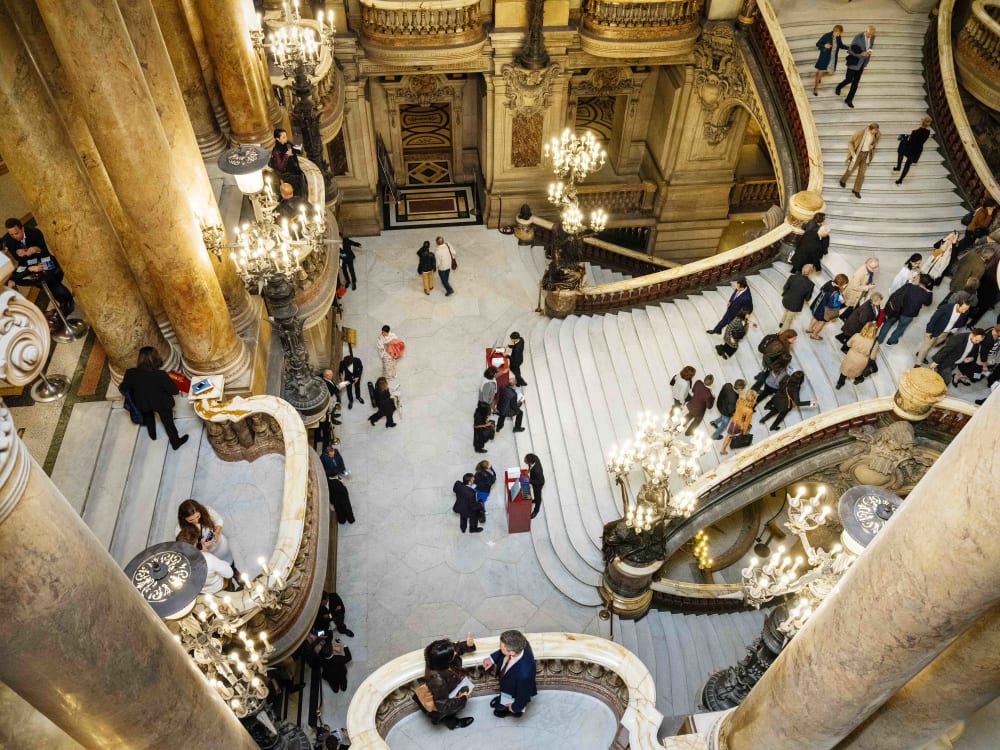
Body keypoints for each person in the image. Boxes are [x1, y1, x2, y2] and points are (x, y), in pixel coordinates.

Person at [120, 346, 189, 450]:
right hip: (162, 403)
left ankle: (152, 434)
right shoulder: (161, 375)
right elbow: (174, 391)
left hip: (143, 403)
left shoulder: (130, 373)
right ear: (156, 359)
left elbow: (124, 387)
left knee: (148, 417)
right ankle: (175, 442)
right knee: (168, 423)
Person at [3, 218, 75, 314]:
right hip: (26, 265)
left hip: (42, 259)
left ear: (22, 229)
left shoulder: (35, 233)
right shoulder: (8, 239)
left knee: (50, 280)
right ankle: (63, 301)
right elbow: (16, 258)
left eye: (17, 233)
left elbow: (45, 252)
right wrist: (17, 253)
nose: (15, 237)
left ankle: (66, 301)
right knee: (26, 280)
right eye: (11, 234)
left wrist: (36, 249)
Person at [176, 499, 240, 586]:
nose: (196, 521)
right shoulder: (179, 530)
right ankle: (227, 583)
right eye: (191, 520)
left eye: (198, 516)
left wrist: (216, 533)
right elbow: (185, 549)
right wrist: (199, 546)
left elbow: (219, 520)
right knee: (215, 572)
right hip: (206, 556)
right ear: (184, 518)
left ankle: (235, 573)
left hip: (220, 547)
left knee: (229, 563)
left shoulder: (207, 511)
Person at [422, 635, 477, 729]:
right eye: (453, 654)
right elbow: (443, 705)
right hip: (447, 696)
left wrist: (468, 645)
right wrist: (463, 698)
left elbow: (455, 648)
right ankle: (453, 723)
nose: (456, 652)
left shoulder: (437, 656)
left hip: (451, 686)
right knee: (449, 714)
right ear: (446, 661)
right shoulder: (437, 680)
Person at [483, 630, 537, 718]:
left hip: (514, 691)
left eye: (501, 647)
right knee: (504, 697)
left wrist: (515, 708)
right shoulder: (520, 642)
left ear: (512, 652)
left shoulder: (525, 674)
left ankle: (512, 711)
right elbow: (502, 651)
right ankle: (502, 701)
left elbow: (523, 695)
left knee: (506, 705)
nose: (499, 647)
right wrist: (491, 659)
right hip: (508, 685)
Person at [915, 292, 972, 364]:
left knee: (931, 346)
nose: (964, 311)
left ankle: (921, 354)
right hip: (934, 331)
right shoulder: (945, 308)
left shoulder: (965, 312)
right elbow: (934, 319)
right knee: (926, 347)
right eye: (963, 309)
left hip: (945, 333)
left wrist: (956, 327)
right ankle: (918, 363)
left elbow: (961, 321)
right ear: (958, 305)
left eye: (966, 309)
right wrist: (929, 331)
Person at [878, 274, 935, 345]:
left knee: (887, 323)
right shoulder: (927, 295)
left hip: (897, 310)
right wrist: (929, 292)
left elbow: (895, 294)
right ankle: (891, 341)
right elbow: (928, 303)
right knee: (901, 328)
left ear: (919, 280)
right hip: (908, 315)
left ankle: (879, 340)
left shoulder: (909, 286)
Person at [176, 527, 233, 594]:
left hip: (200, 591)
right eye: (199, 544)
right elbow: (229, 573)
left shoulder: (177, 563)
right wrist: (224, 563)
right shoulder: (208, 559)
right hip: (216, 587)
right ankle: (231, 589)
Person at [835, 25, 876, 108]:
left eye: (872, 35)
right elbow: (851, 50)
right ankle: (839, 87)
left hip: (862, 63)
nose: (870, 36)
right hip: (854, 62)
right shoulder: (858, 37)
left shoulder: (872, 37)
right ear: (866, 31)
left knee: (855, 83)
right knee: (849, 79)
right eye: (869, 34)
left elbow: (870, 47)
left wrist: (868, 53)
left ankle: (849, 99)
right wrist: (861, 53)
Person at [840, 123, 880, 199]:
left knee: (862, 173)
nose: (876, 132)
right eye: (875, 131)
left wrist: (873, 146)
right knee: (851, 169)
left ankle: (856, 190)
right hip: (858, 153)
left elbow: (875, 143)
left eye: (877, 131)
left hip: (866, 155)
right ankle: (843, 180)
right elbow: (850, 141)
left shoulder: (877, 134)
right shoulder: (861, 133)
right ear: (870, 129)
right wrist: (853, 153)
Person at [806, 274, 849, 341]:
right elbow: (833, 305)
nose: (845, 285)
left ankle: (809, 329)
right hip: (824, 309)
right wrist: (841, 302)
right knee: (822, 322)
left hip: (819, 304)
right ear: (842, 284)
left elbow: (821, 288)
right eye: (845, 284)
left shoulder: (830, 282)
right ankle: (814, 335)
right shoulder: (836, 292)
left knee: (815, 317)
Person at [837, 322, 880, 388]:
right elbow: (872, 357)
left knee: (845, 370)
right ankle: (857, 380)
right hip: (862, 360)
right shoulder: (874, 343)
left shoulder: (857, 335)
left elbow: (848, 344)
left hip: (851, 356)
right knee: (857, 372)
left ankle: (839, 384)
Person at [321, 446, 355, 524]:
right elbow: (323, 471)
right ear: (327, 454)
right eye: (331, 455)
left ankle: (350, 518)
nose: (333, 455)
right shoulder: (323, 458)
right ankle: (342, 519)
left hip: (339, 476)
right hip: (331, 479)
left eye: (333, 453)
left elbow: (341, 463)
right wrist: (332, 472)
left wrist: (339, 470)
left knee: (344, 499)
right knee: (337, 502)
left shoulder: (336, 452)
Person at [812, 25, 849, 96]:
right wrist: (824, 45)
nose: (840, 35)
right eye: (839, 33)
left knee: (831, 73)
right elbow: (818, 44)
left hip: (833, 58)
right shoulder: (826, 36)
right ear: (836, 31)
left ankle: (819, 76)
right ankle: (815, 88)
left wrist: (849, 48)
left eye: (840, 33)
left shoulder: (838, 37)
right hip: (824, 57)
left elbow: (841, 45)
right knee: (820, 72)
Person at [894, 117, 932, 184]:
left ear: (921, 123)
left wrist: (904, 138)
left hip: (910, 149)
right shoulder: (928, 132)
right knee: (908, 164)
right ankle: (900, 180)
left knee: (901, 147)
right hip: (917, 150)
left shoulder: (915, 132)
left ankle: (898, 167)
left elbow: (911, 142)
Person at [721, 388, 757, 455]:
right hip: (739, 425)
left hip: (734, 420)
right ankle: (723, 450)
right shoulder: (749, 411)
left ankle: (723, 449)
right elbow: (746, 423)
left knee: (729, 435)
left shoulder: (739, 401)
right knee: (729, 437)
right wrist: (744, 432)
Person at [779, 265, 815, 332]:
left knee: (786, 310)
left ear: (802, 269)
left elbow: (785, 288)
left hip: (786, 299)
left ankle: (781, 323)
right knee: (788, 320)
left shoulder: (792, 277)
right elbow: (807, 298)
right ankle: (781, 334)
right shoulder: (810, 284)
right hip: (795, 305)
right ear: (810, 273)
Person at [268, 128, 304, 195]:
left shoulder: (287, 143)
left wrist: (298, 139)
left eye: (286, 136)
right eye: (283, 137)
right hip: (288, 175)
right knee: (294, 191)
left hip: (295, 170)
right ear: (278, 139)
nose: (286, 138)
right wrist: (286, 155)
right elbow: (280, 166)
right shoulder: (276, 151)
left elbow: (297, 151)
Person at [524, 453, 544, 518]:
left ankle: (536, 510)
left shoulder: (537, 470)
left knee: (538, 496)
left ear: (530, 462)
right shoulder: (535, 457)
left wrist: (529, 481)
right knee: (535, 495)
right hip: (535, 478)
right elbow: (531, 465)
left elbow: (540, 481)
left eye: (526, 461)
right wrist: (529, 470)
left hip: (538, 484)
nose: (524, 461)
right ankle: (535, 500)